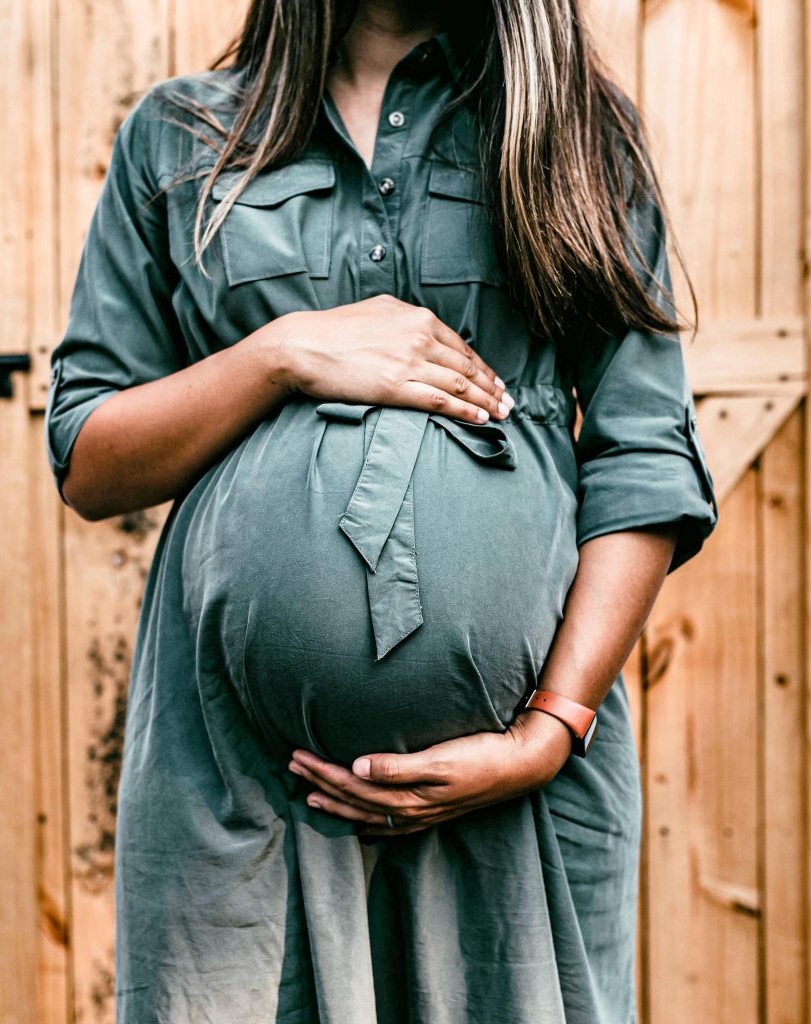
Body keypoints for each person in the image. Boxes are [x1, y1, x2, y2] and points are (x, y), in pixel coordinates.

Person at [44, 1, 718, 1020]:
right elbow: (90, 458)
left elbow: (644, 455)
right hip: (240, 789)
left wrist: (548, 729)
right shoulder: (178, 139)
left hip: (518, 791)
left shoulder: (574, 135)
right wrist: (280, 355)